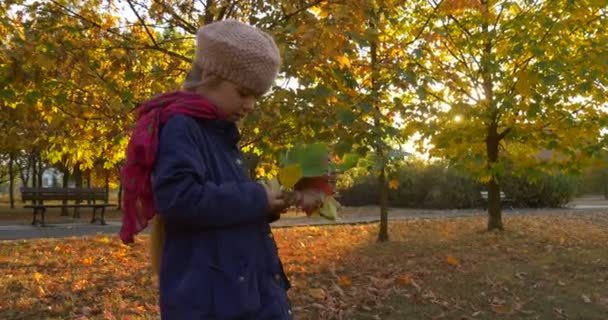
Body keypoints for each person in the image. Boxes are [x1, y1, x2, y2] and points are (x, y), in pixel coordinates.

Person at [119, 19, 312, 319]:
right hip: (211, 300)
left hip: (242, 291)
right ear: (211, 75)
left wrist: (271, 202)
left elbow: (224, 202)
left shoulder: (219, 132)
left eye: (257, 97)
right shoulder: (182, 127)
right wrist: (256, 198)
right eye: (244, 92)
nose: (250, 106)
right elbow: (180, 200)